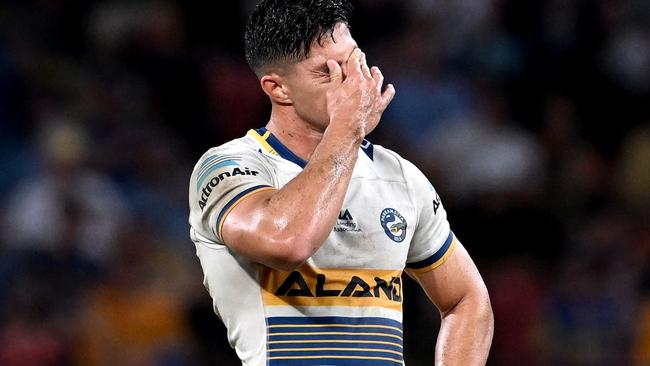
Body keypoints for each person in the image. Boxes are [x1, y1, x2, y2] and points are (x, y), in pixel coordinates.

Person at [188, 0, 493, 365]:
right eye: (326, 73)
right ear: (278, 88)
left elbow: (467, 300)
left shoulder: (398, 176)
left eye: (353, 61)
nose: (352, 83)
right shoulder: (229, 167)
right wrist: (347, 128)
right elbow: (289, 241)